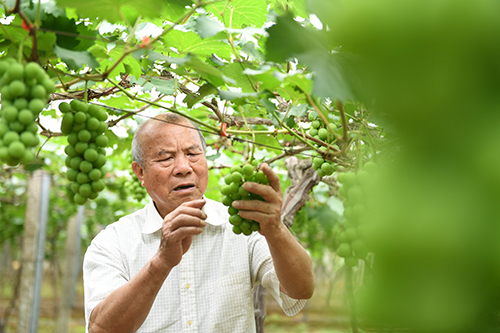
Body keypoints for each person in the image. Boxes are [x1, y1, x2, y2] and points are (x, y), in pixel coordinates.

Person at [83, 113, 315, 333]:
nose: (184, 168)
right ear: (140, 173)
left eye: (193, 154)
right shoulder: (112, 243)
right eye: (165, 158)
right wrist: (161, 262)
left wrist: (275, 230)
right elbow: (102, 329)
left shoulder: (242, 226)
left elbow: (301, 290)